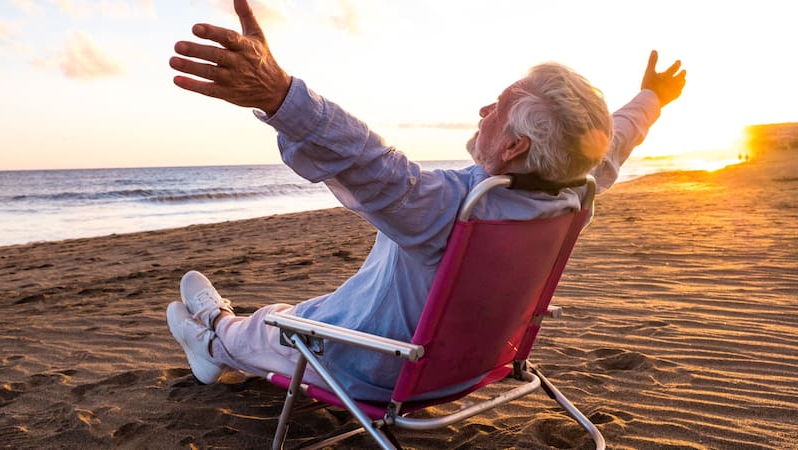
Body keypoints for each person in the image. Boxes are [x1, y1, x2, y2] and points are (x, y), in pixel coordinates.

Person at [166, 0, 686, 402]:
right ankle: (220, 329)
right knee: (300, 312)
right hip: (470, 365)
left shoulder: (458, 211)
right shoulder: (574, 186)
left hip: (371, 365)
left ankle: (212, 336)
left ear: (513, 147)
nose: (484, 108)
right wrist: (652, 98)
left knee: (277, 327)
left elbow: (369, 164)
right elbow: (614, 138)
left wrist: (278, 95)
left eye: (499, 106)